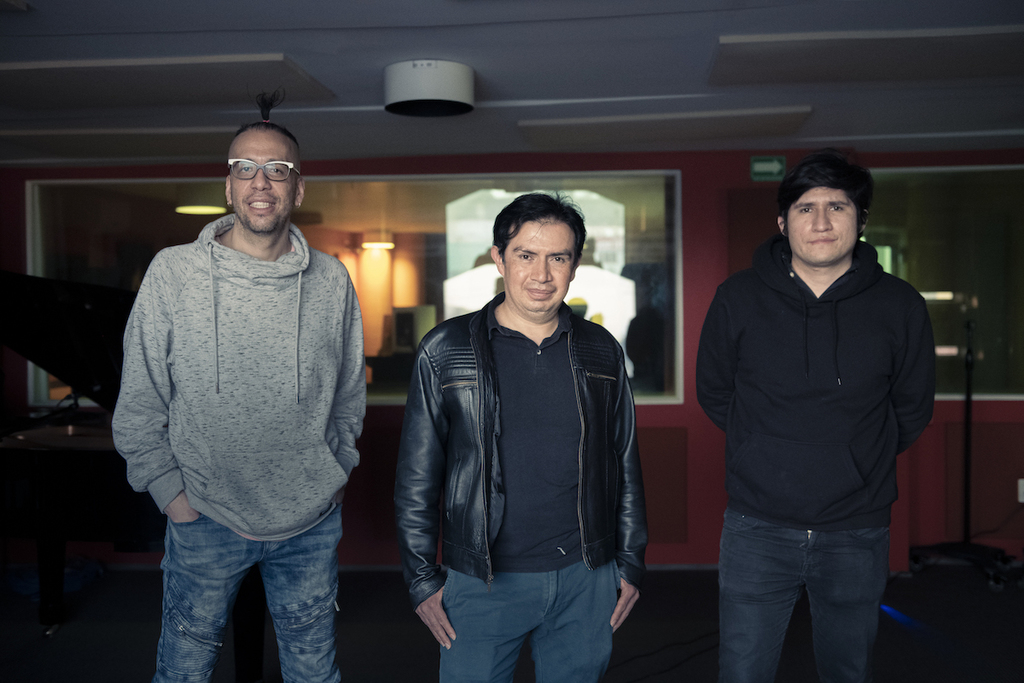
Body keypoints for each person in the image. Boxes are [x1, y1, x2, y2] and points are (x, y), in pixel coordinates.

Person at [112, 101, 365, 683]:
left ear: (298, 188)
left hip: (310, 522)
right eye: (245, 168)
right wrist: (172, 496)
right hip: (204, 516)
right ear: (227, 186)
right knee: (183, 673)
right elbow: (140, 399)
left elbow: (349, 392)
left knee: (314, 673)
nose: (261, 182)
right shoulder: (173, 273)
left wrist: (337, 470)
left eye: (277, 169)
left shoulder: (331, 279)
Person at [696, 149, 936, 683]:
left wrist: (856, 459)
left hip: (857, 529)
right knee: (742, 672)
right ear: (783, 223)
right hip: (756, 526)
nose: (821, 222)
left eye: (837, 206)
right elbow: (714, 391)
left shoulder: (901, 306)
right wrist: (761, 450)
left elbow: (912, 407)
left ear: (861, 219)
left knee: (848, 670)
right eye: (806, 208)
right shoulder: (737, 297)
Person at [394, 192, 648, 682]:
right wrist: (422, 579)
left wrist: (631, 562)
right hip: (483, 581)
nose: (542, 274)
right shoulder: (445, 350)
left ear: (575, 266)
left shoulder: (601, 350)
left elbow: (625, 464)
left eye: (559, 258)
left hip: (585, 577)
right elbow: (416, 479)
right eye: (526, 255)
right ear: (499, 258)